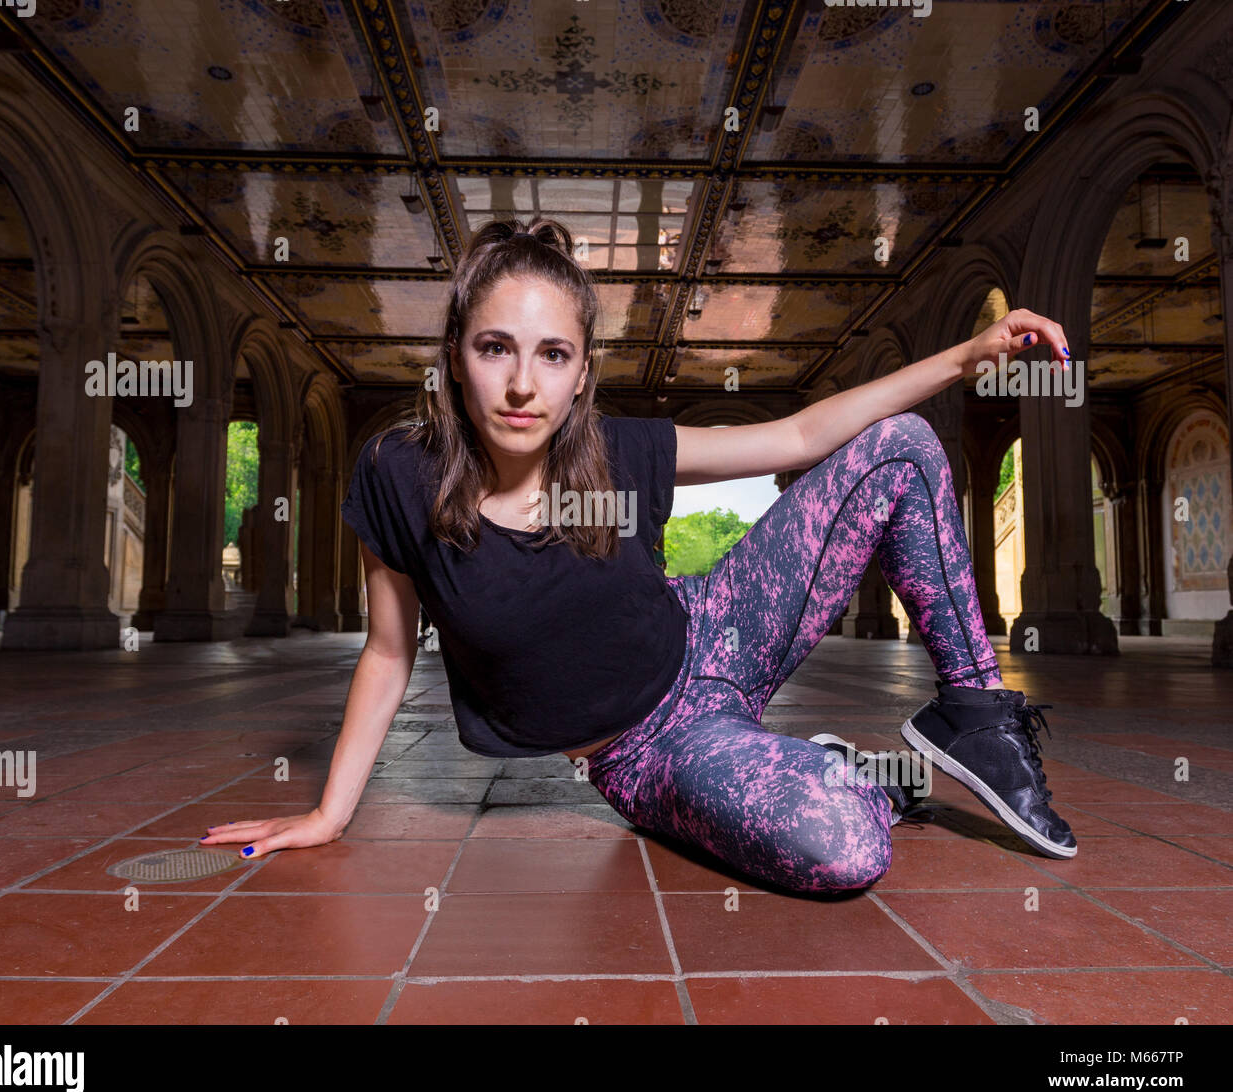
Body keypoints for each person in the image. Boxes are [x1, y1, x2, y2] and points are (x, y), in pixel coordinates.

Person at [203, 217, 1077, 894]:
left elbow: (801, 432)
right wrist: (328, 811)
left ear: (582, 371)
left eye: (553, 355)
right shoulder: (398, 475)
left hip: (720, 628)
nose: (521, 384)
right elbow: (390, 654)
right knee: (847, 850)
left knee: (904, 448)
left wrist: (967, 356)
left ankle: (976, 712)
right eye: (494, 347)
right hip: (651, 750)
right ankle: (844, 770)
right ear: (456, 357)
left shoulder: (620, 451)